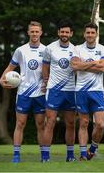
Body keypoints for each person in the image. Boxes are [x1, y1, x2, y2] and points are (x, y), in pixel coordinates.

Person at [0, 21, 46, 163]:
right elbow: (10, 67)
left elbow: (51, 71)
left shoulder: (46, 50)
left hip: (41, 93)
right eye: (32, 31)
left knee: (40, 125)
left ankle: (44, 156)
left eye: (37, 31)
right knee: (20, 124)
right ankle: (16, 156)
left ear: (41, 33)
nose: (34, 34)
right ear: (28, 33)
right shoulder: (20, 50)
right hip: (24, 93)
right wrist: (2, 79)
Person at [70, 22, 104, 160]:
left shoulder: (103, 49)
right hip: (80, 90)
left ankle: (92, 148)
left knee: (100, 124)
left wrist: (83, 65)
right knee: (84, 123)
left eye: (93, 33)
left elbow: (103, 68)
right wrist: (94, 63)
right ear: (84, 34)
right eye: (88, 33)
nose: (90, 35)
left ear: (96, 34)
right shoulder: (77, 48)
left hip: (97, 91)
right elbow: (74, 66)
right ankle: (82, 155)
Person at [41, 18, 76, 162]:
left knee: (71, 123)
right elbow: (45, 67)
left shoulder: (76, 49)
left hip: (70, 90)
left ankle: (70, 156)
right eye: (62, 31)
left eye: (67, 32)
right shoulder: (49, 48)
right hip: (54, 90)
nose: (64, 34)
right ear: (58, 32)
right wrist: (45, 81)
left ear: (71, 33)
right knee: (50, 122)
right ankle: (45, 157)